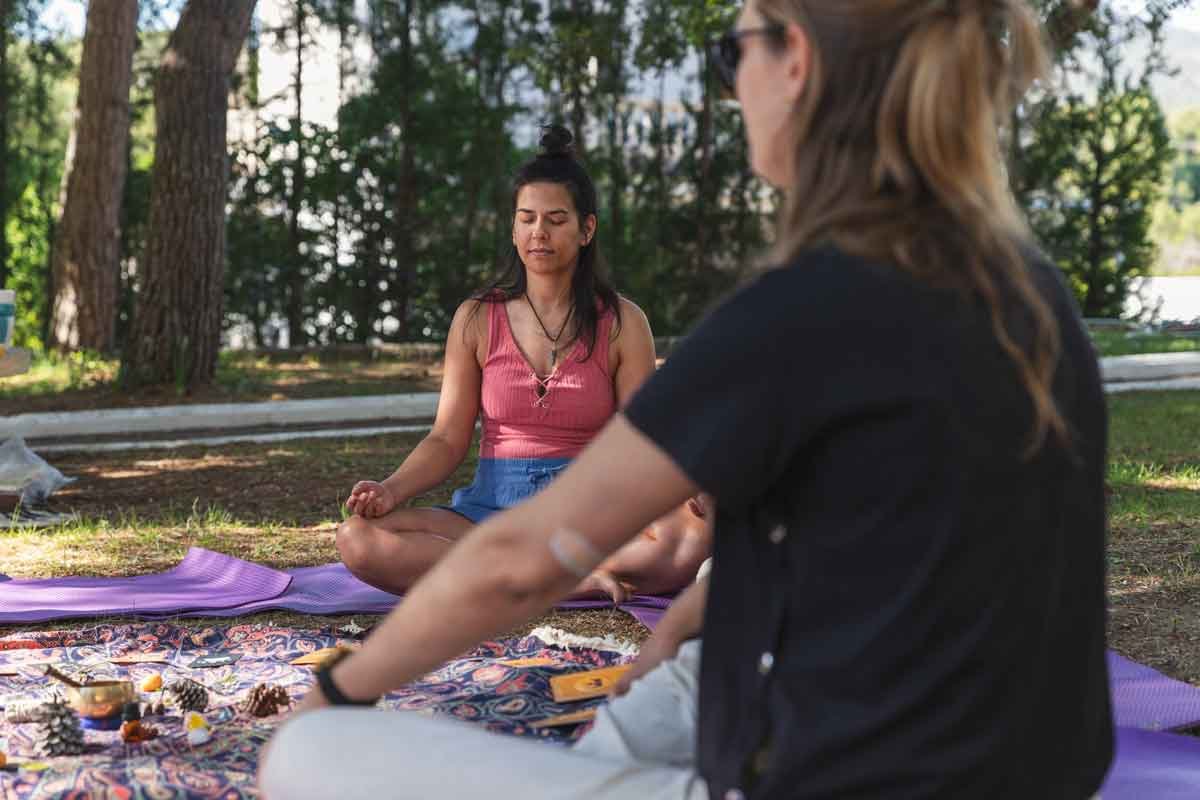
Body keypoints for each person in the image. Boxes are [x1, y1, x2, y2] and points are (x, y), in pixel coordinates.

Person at [260, 1, 1112, 798]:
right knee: (653, 702)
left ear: (794, 61)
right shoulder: (1033, 296)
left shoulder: (800, 307)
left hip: (853, 773)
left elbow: (519, 566)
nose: (731, 87)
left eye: (730, 53)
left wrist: (335, 691)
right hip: (1019, 768)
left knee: (308, 754)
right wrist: (677, 627)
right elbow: (859, 539)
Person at [335, 124, 710, 601]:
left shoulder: (622, 322)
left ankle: (521, 577)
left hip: (589, 517)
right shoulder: (475, 318)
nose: (539, 232)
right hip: (490, 516)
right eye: (527, 218)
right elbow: (447, 439)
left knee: (698, 529)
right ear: (513, 229)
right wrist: (391, 489)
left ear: (586, 229)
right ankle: (564, 582)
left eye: (556, 219)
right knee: (358, 539)